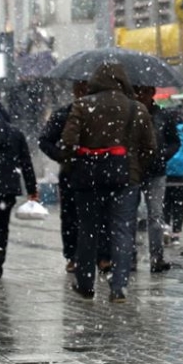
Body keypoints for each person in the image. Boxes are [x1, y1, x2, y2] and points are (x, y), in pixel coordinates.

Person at [61, 62, 156, 303]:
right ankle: (119, 287)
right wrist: (135, 168)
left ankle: (85, 284)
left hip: (88, 178)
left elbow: (68, 143)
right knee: (123, 231)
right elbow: (150, 148)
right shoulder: (136, 108)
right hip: (126, 177)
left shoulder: (81, 106)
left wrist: (75, 167)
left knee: (88, 231)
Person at [39, 81, 112, 273]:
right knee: (71, 215)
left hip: (100, 170)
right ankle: (73, 256)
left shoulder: (104, 114)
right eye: (80, 89)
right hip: (73, 172)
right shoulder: (64, 114)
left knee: (103, 214)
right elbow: (45, 141)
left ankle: (103, 255)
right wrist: (63, 156)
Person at [133, 85, 181, 272]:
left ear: (152, 93)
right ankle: (130, 257)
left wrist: (162, 155)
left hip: (156, 172)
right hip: (134, 171)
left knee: (155, 215)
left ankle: (156, 257)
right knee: (130, 216)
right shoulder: (130, 113)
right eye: (139, 91)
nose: (141, 95)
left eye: (145, 91)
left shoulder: (163, 115)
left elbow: (174, 142)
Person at [0, 123, 38, 279]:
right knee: (1, 225)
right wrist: (32, 188)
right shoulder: (15, 133)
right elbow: (26, 162)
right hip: (8, 187)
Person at [162, 115, 183, 246]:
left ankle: (166, 228)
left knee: (166, 204)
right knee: (179, 206)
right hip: (182, 177)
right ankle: (176, 234)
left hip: (166, 175)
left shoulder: (165, 132)